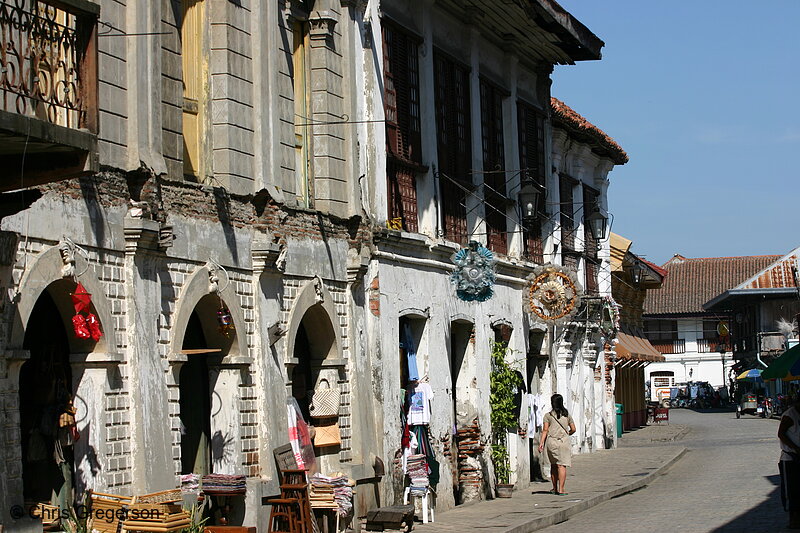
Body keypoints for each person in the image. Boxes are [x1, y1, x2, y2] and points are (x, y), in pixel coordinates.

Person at [537, 393, 576, 495]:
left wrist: (541, 443)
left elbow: (545, 430)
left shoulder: (548, 416)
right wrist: (567, 434)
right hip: (564, 442)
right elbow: (573, 429)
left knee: (553, 465)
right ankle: (561, 489)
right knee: (562, 466)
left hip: (552, 442)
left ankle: (554, 488)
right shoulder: (567, 415)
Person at [779, 395, 800, 529]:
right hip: (790, 458)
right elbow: (781, 434)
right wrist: (795, 448)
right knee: (791, 490)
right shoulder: (789, 415)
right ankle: (793, 519)